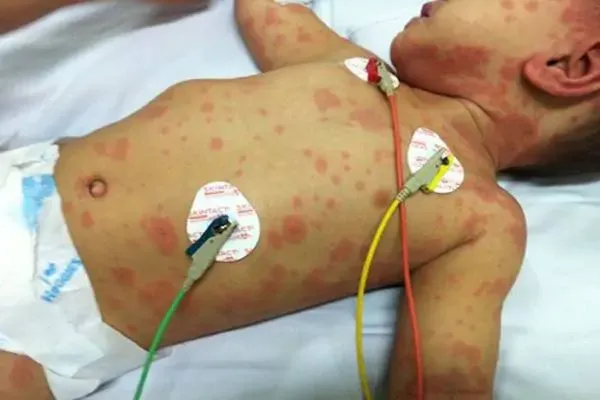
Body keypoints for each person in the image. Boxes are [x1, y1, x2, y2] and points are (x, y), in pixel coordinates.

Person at [1, 0, 599, 398]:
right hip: (21, 179)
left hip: (55, 325)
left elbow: (443, 380)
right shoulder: (354, 70)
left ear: (571, 65)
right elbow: (268, 7)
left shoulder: (481, 220)